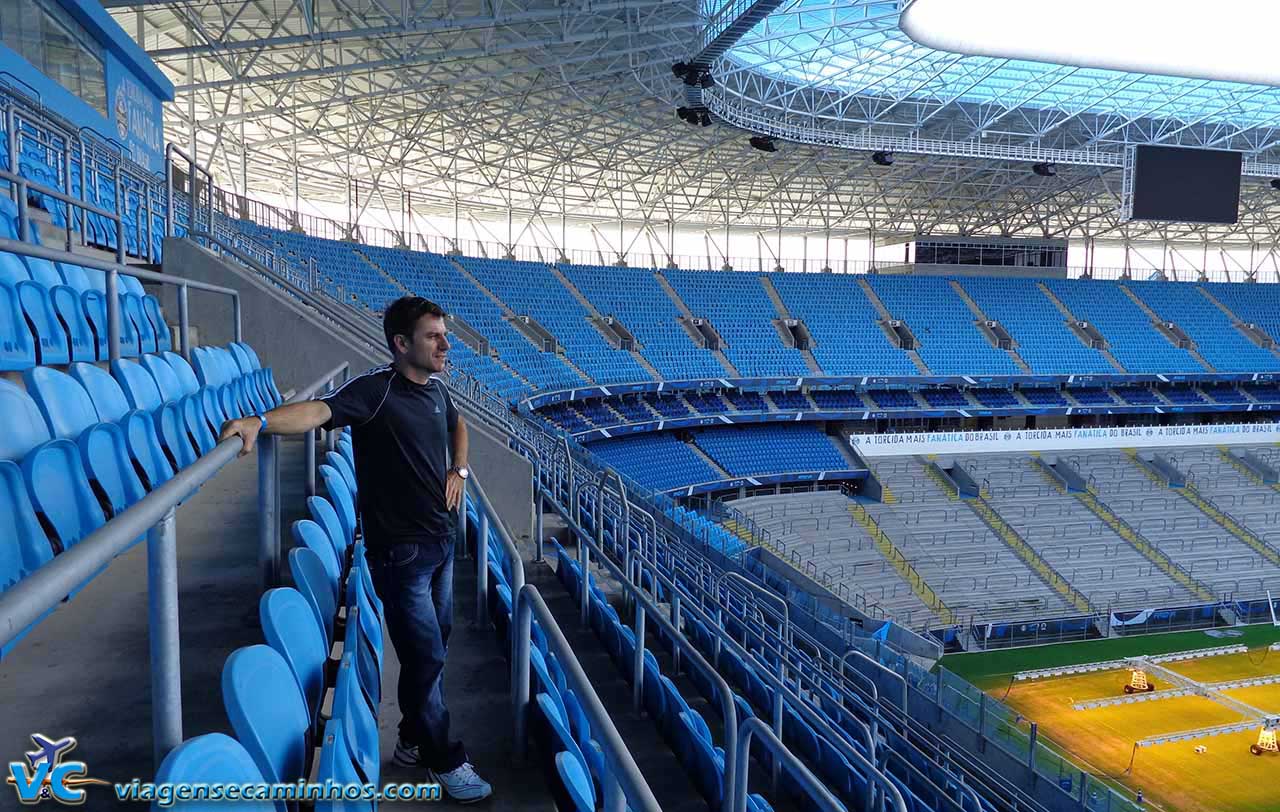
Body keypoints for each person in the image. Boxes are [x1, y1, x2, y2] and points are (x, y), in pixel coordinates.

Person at [218, 296, 491, 803]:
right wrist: (260, 419)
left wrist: (460, 469)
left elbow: (459, 423)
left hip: (441, 544)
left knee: (433, 651)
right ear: (401, 343)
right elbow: (318, 411)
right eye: (434, 337)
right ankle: (443, 757)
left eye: (444, 335)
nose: (445, 345)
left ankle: (412, 739)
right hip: (400, 555)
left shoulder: (435, 391)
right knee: (426, 655)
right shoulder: (375, 392)